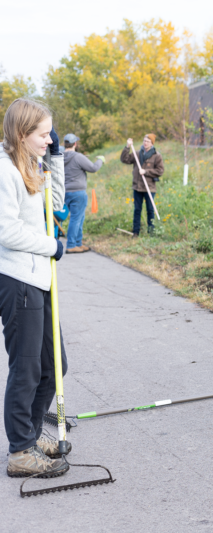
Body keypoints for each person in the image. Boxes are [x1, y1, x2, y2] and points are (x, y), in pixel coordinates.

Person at [0, 98, 69, 478]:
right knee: (26, 369)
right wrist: (52, 246)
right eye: (43, 135)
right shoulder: (4, 171)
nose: (48, 140)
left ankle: (30, 431)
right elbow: (7, 232)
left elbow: (53, 205)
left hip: (39, 280)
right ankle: (21, 450)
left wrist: (55, 158)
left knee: (54, 365)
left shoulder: (32, 162)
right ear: (22, 134)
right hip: (18, 280)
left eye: (50, 135)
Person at [62, 133, 104, 252]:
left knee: (79, 218)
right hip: (78, 193)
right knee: (76, 219)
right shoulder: (77, 156)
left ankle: (78, 243)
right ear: (75, 144)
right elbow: (93, 168)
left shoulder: (60, 156)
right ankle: (71, 245)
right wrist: (100, 160)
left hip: (65, 192)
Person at [121, 134, 163, 235]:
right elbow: (124, 159)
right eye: (144, 141)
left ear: (152, 143)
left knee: (150, 210)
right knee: (137, 210)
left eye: (148, 141)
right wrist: (127, 147)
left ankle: (151, 232)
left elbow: (160, 171)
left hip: (149, 187)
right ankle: (136, 232)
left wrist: (146, 172)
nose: (145, 143)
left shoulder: (156, 156)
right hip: (137, 187)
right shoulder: (137, 153)